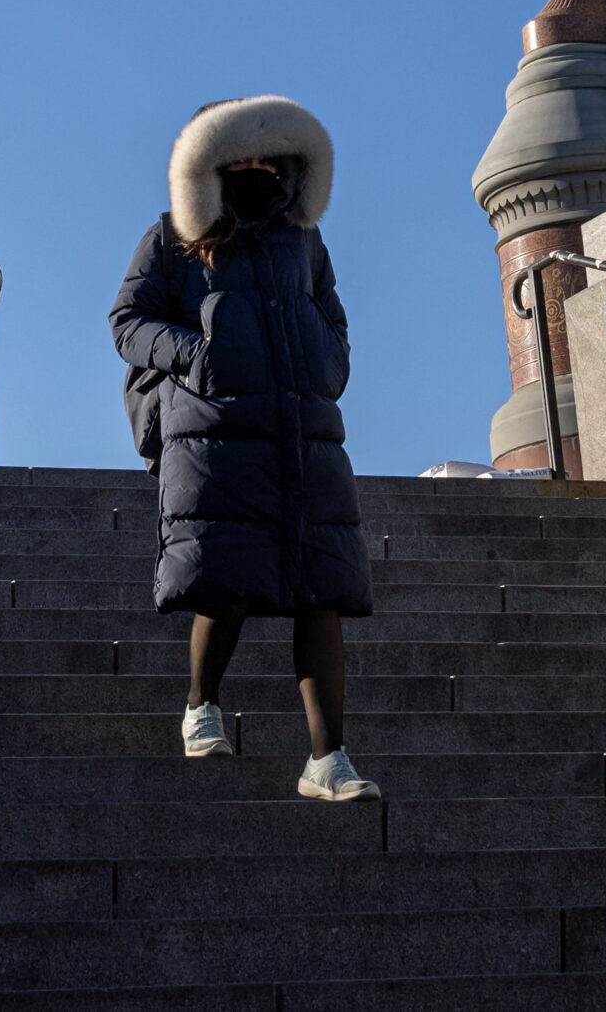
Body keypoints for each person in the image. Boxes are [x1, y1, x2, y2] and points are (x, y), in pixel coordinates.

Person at [109, 96, 378, 801]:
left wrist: (327, 363)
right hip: (216, 435)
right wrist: (198, 356)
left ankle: (328, 757)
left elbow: (332, 316)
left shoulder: (304, 240)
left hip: (302, 431)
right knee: (226, 583)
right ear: (216, 163)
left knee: (320, 591)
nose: (261, 168)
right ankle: (202, 701)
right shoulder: (171, 238)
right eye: (245, 156)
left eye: (272, 155)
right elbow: (127, 320)